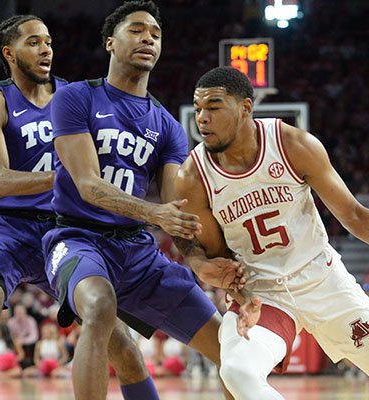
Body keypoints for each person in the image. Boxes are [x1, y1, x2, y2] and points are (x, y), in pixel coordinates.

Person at [175, 66, 369, 400]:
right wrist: (207, 269)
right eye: (199, 108)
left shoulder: (293, 144)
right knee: (237, 372)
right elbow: (213, 253)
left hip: (324, 282)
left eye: (214, 106)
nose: (202, 118)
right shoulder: (193, 176)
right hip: (265, 295)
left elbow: (353, 214)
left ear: (245, 108)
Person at [0, 14, 160, 400]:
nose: (46, 50)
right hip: (10, 229)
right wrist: (67, 175)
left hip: (66, 230)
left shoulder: (73, 95)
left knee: (122, 345)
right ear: (9, 53)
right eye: (34, 42)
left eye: (49, 42)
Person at [42, 2, 242, 399]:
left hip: (137, 251)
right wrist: (155, 214)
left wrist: (199, 260)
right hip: (77, 239)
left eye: (155, 33)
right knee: (99, 308)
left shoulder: (168, 127)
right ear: (110, 42)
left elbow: (177, 210)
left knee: (231, 351)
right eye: (136, 30)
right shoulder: (75, 98)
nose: (148, 38)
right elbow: (88, 185)